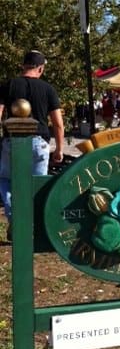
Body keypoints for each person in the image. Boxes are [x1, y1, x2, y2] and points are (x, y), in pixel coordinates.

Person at [0, 50, 64, 239]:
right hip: (39, 141)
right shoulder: (48, 89)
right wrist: (59, 149)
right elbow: (58, 124)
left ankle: (15, 219)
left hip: (12, 140)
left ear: (23, 66)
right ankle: (32, 227)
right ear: (41, 68)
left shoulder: (8, 85)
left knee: (5, 180)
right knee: (35, 186)